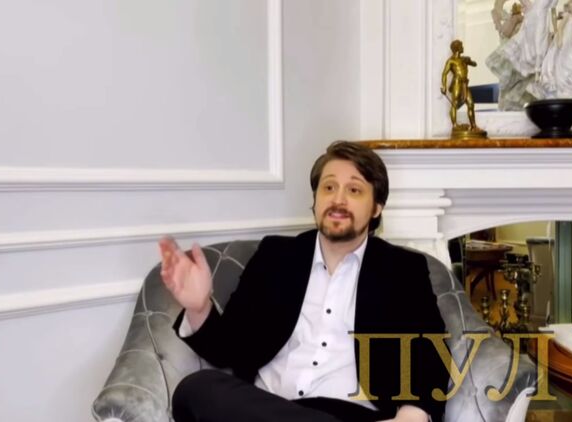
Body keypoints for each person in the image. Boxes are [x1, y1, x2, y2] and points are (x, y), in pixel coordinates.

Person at [159, 141, 449, 422]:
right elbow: (231, 348)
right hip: (265, 408)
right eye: (329, 187)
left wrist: (413, 414)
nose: (338, 199)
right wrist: (199, 307)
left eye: (354, 190)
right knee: (195, 389)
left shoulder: (403, 269)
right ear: (315, 199)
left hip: (352, 413)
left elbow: (429, 353)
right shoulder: (276, 255)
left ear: (376, 208)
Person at [440, 40, 479, 131]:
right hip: (457, 83)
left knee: (471, 104)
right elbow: (444, 74)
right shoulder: (451, 61)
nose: (462, 47)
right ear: (457, 48)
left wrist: (469, 61)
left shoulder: (463, 59)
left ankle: (473, 125)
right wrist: (444, 86)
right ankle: (455, 125)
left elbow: (474, 64)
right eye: (461, 46)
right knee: (455, 103)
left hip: (465, 83)